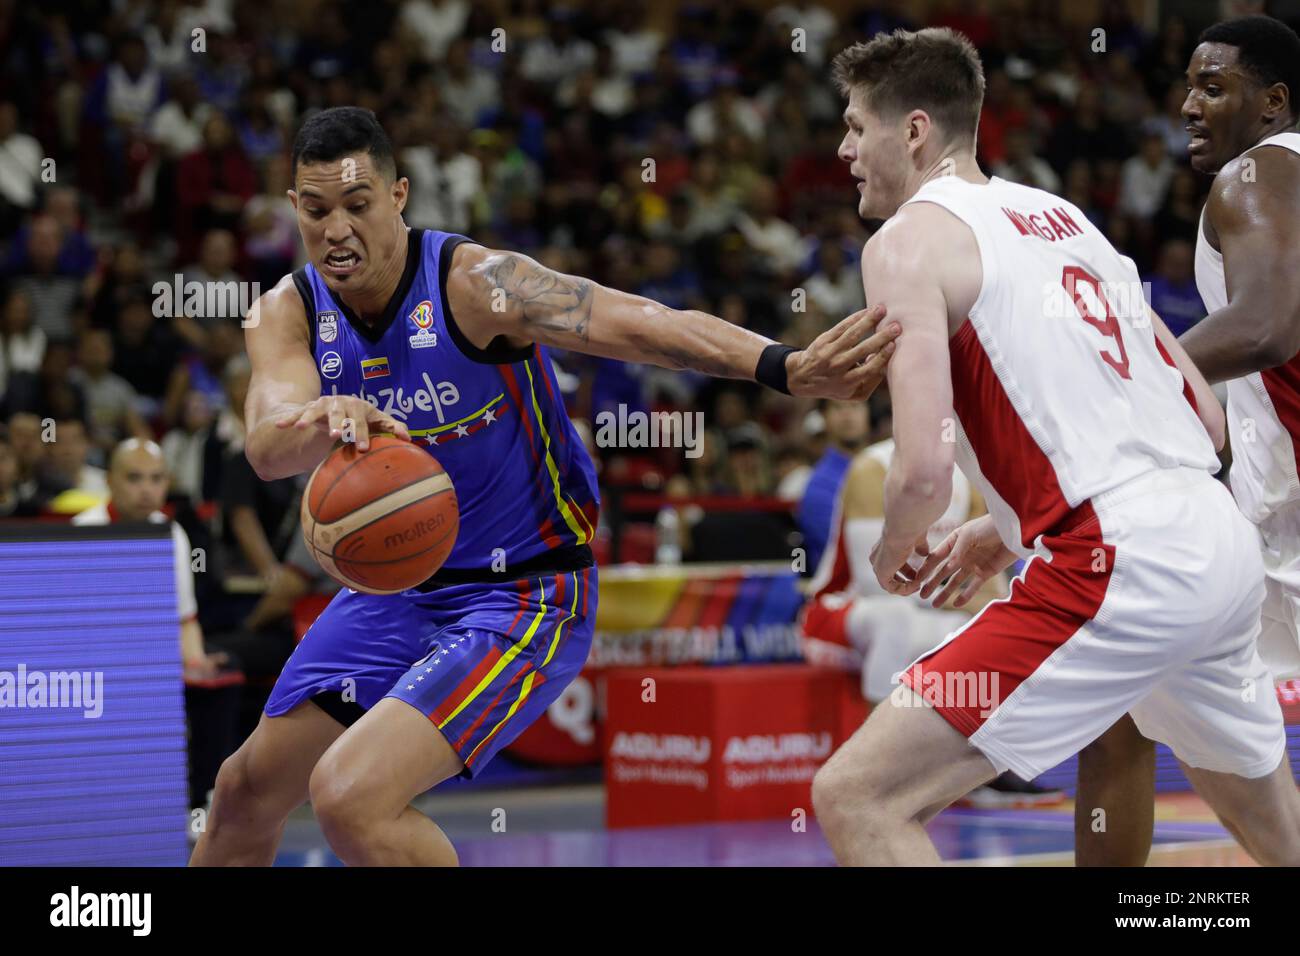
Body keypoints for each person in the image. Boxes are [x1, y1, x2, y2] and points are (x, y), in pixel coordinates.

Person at [191, 106, 899, 867]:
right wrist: (319, 421)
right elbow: (267, 445)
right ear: (294, 206)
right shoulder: (285, 312)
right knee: (242, 792)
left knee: (349, 797)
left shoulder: (478, 286)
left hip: (525, 595)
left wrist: (782, 366)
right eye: (318, 209)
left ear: (398, 196)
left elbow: (638, 322)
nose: (338, 230)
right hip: (394, 591)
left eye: (358, 206)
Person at [810, 27, 1300, 867]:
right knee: (1265, 826)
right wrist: (1005, 528)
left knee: (858, 795)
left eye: (856, 127)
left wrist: (898, 545)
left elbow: (923, 469)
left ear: (915, 130)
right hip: (1215, 547)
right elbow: (1202, 417)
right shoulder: (1066, 219)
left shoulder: (903, 243)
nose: (845, 149)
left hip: (1119, 559)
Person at [1077, 14, 1300, 867]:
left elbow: (1264, 329)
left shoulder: (1254, 175)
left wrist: (1117, 378)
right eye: (1188, 86)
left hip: (1287, 517)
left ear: (1273, 102)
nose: (1189, 106)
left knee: (1124, 695)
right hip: (1260, 516)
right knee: (1122, 697)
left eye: (1215, 87)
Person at [800, 431, 1062, 807]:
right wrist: (960, 598)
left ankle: (986, 771)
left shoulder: (967, 476)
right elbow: (879, 586)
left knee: (987, 631)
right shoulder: (871, 469)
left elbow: (986, 584)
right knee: (895, 621)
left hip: (928, 607)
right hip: (840, 614)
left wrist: (994, 613)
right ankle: (878, 770)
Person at [72, 438, 226, 679]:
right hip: (93, 661)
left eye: (156, 479)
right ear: (109, 481)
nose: (146, 489)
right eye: (134, 478)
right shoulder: (82, 531)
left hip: (155, 658)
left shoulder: (173, 533)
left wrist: (196, 662)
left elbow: (185, 619)